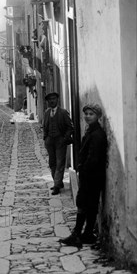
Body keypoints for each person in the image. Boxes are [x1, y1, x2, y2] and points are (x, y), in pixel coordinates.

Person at [59, 104, 107, 248]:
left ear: (98, 116)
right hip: (91, 175)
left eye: (91, 114)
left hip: (92, 176)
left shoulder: (97, 134)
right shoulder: (91, 131)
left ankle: (79, 234)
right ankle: (85, 234)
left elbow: (94, 158)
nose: (87, 116)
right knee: (87, 204)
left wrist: (83, 170)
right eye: (86, 113)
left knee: (86, 204)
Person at [43, 91, 74, 195]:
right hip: (50, 141)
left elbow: (70, 127)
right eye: (50, 99)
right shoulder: (47, 113)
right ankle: (58, 182)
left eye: (54, 99)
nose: (52, 101)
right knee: (52, 163)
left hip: (60, 141)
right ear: (47, 101)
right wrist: (45, 138)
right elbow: (45, 126)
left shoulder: (63, 112)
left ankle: (56, 185)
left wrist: (65, 138)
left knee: (60, 163)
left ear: (57, 100)